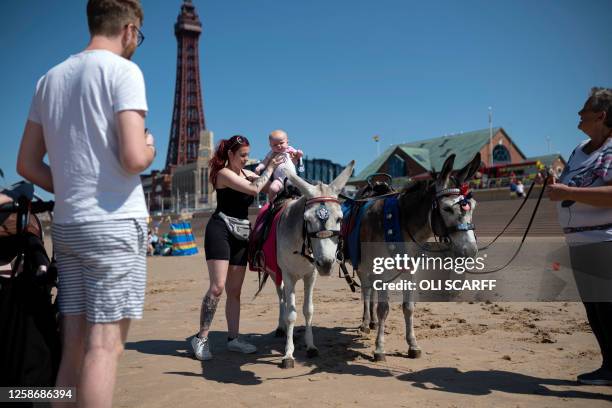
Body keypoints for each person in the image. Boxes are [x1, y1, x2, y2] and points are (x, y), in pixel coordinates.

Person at [16, 1, 153, 406]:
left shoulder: (49, 78)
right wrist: (147, 147)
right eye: (138, 37)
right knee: (105, 348)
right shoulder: (123, 71)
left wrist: (72, 186)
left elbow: (25, 163)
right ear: (129, 29)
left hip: (69, 226)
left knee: (73, 344)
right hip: (113, 225)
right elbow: (132, 158)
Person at [192, 135, 282, 361]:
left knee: (235, 291)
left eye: (247, 155)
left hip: (241, 233)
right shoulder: (223, 174)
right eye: (241, 155)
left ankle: (233, 339)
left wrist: (285, 166)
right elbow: (254, 190)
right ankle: (201, 338)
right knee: (217, 287)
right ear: (230, 155)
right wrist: (269, 167)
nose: (245, 159)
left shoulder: (248, 173)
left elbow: (269, 188)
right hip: (220, 230)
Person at [547, 87, 612, 386]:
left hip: (604, 241)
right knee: (596, 311)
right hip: (579, 243)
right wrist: (554, 184)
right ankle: (609, 367)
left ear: (601, 115)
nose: (578, 115)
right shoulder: (578, 148)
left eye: (584, 110)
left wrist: (568, 192)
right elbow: (568, 185)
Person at [255, 129, 303, 201]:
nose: (279, 146)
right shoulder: (271, 153)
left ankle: (305, 203)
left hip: (293, 179)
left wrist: (299, 153)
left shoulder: (290, 150)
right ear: (270, 145)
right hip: (279, 180)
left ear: (287, 142)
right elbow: (264, 162)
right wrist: (259, 167)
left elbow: (298, 155)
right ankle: (271, 203)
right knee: (272, 188)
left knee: (302, 188)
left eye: (281, 143)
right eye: (275, 145)